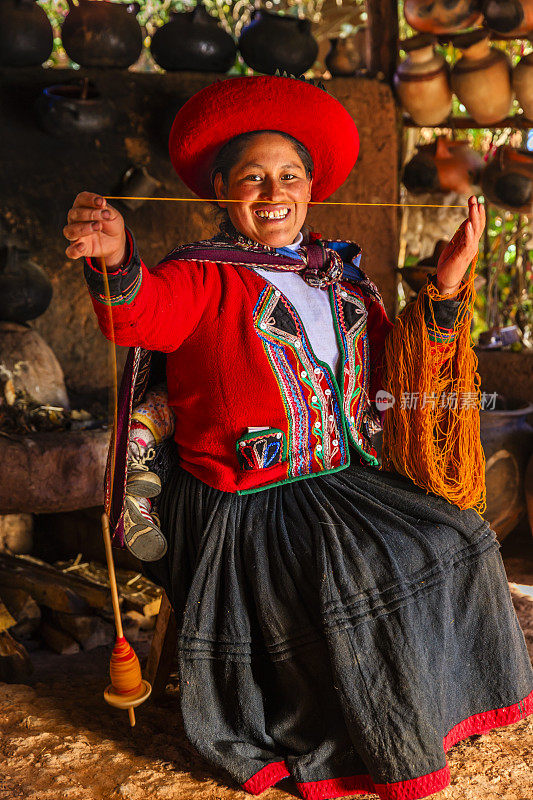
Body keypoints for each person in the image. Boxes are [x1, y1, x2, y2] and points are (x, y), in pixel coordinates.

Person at [63, 75, 533, 800]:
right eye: (252, 177)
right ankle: (361, 730)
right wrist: (118, 257)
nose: (271, 191)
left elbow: (395, 361)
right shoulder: (198, 278)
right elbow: (140, 317)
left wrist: (445, 281)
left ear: (311, 189)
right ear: (221, 192)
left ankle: (428, 712)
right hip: (241, 497)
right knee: (363, 571)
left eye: (288, 175)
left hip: (339, 478)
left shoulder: (341, 279)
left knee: (459, 534)